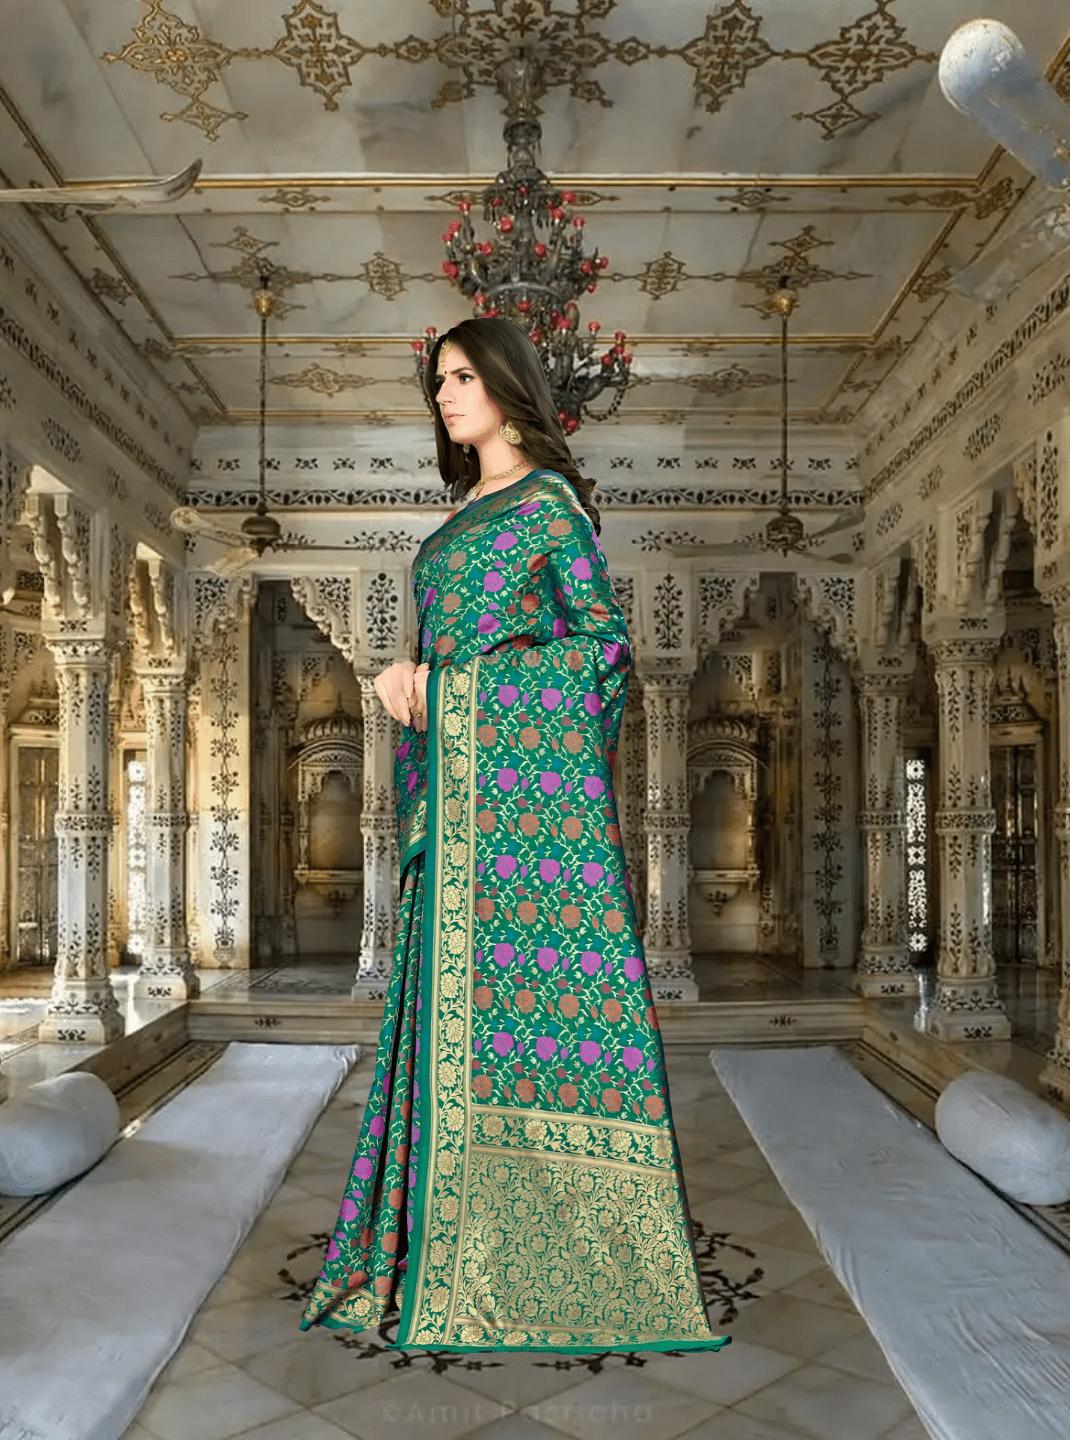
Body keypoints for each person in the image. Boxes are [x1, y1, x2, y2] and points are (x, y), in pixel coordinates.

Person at [300, 317, 730, 1356]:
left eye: (459, 377)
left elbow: (597, 659)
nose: (444, 396)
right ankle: (443, 1251)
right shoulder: (465, 514)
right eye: (436, 381)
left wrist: (445, 691)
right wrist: (417, 692)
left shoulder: (549, 508)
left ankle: (563, 1259)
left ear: (505, 383)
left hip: (528, 832)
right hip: (456, 821)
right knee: (449, 1030)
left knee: (535, 1031)